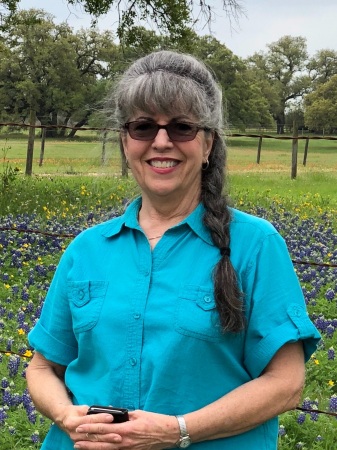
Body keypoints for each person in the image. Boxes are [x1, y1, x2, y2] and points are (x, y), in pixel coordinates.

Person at [26, 50, 320, 450]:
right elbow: (44, 366)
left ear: (209, 143)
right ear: (125, 142)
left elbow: (286, 384)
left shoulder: (254, 245)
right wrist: (65, 415)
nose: (161, 142)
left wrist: (179, 430)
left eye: (181, 127)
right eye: (143, 127)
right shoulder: (86, 249)